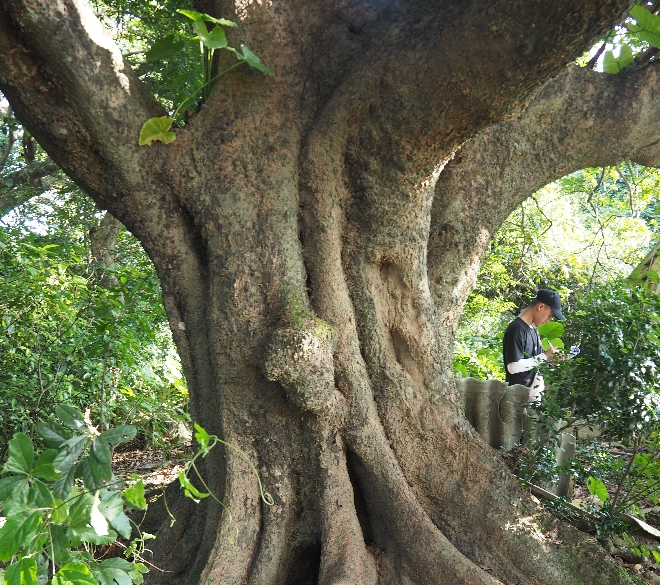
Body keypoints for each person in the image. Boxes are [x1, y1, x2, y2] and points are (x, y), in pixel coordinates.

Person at [502, 289, 565, 403]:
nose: (548, 320)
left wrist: (551, 360)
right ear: (540, 307)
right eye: (550, 315)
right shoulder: (517, 329)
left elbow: (535, 361)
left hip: (532, 398)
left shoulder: (533, 329)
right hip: (518, 400)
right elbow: (513, 367)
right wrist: (545, 357)